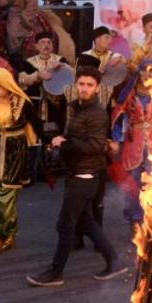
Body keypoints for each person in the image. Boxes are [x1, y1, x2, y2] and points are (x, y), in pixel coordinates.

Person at [27, 69, 122, 287]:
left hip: (84, 176)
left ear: (97, 88)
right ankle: (114, 261)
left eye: (89, 85)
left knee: (65, 224)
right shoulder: (78, 108)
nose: (85, 88)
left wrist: (65, 144)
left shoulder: (97, 113)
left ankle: (56, 272)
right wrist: (61, 139)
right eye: (81, 84)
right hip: (77, 172)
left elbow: (95, 146)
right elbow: (78, 137)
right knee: (85, 221)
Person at [0, 66, 36, 258]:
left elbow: (36, 125)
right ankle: (10, 236)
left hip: (15, 151)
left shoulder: (23, 103)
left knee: (6, 196)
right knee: (0, 196)